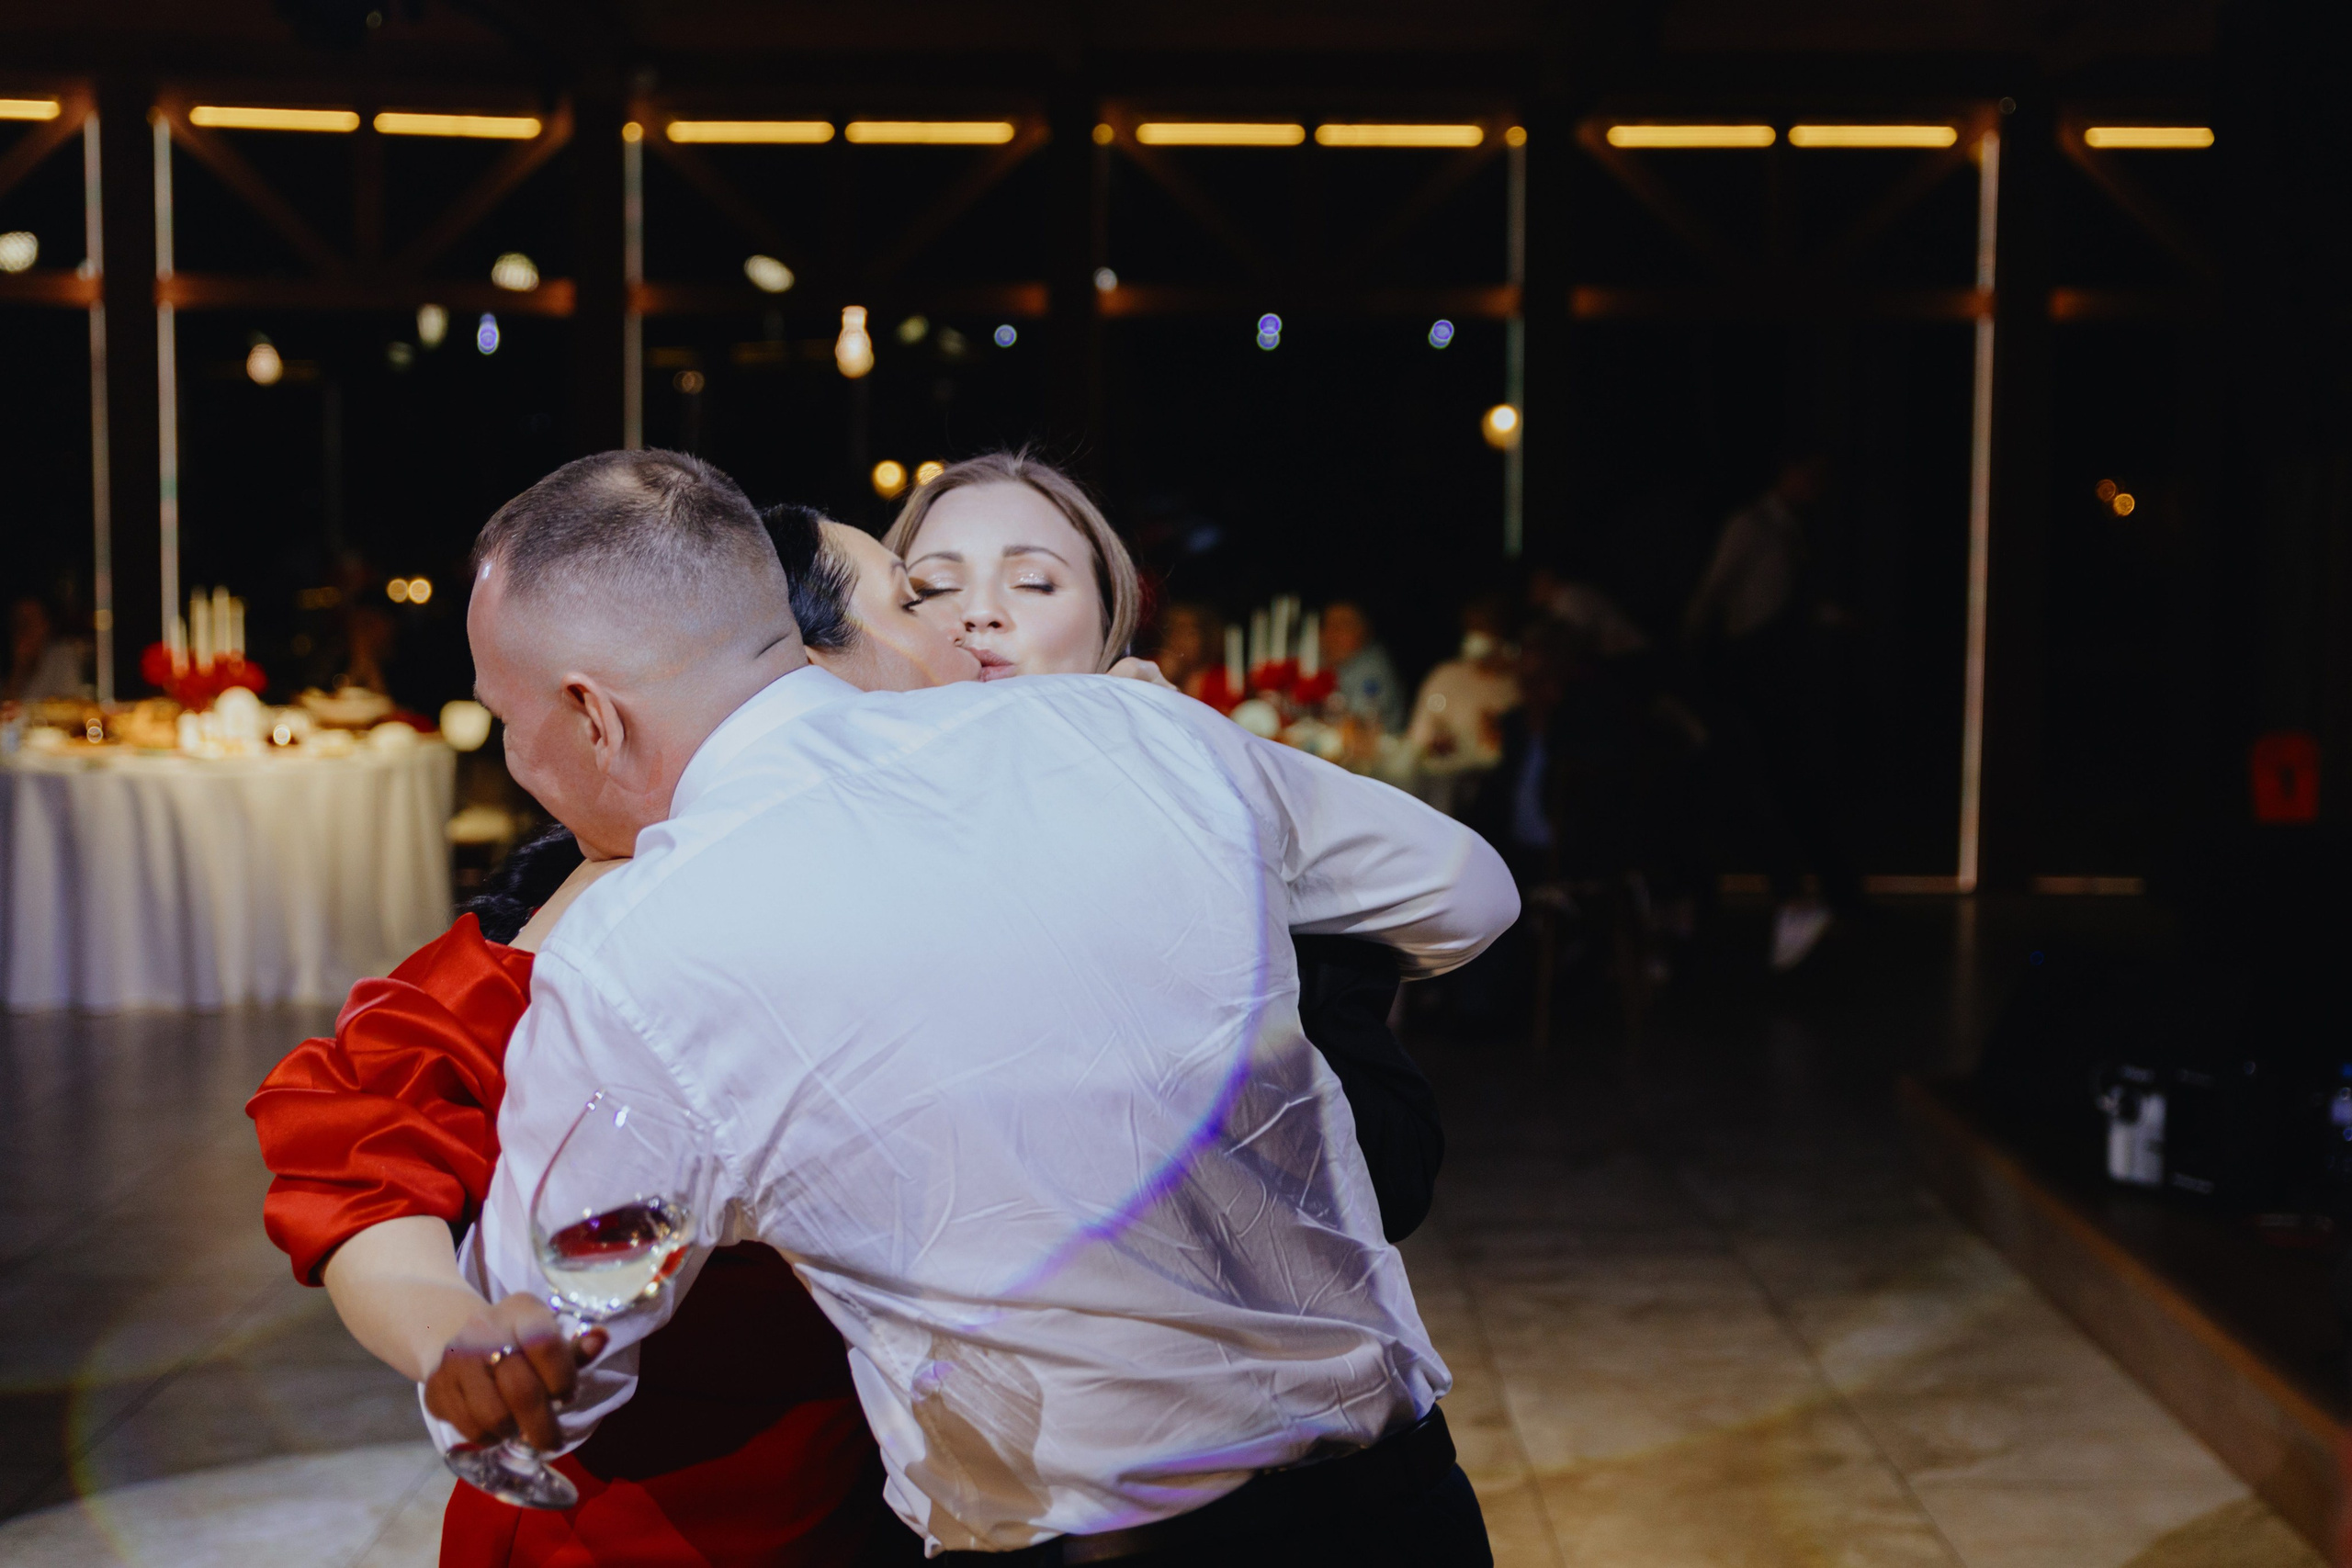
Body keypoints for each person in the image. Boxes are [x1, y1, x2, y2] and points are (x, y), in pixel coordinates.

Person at [436, 449, 1514, 1562]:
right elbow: (1469, 897)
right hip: (1398, 1504)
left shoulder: (635, 953)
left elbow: (554, 1350)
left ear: (591, 717)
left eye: (504, 723)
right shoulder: (1133, 729)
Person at [248, 505, 967, 1568]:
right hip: (673, 1524)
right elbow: (366, 1147)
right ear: (795, 665)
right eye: (916, 598)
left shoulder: (961, 859)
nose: (974, 625)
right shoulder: (604, 925)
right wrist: (457, 1330)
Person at [888, 452, 1447, 1242]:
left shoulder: (1226, 836)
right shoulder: (842, 854)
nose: (979, 613)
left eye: (1035, 581)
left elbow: (1393, 1175)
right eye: (935, 585)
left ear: (1111, 622)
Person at [1683, 455, 1855, 971]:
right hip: (1750, 663)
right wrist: (1690, 649)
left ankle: (1795, 895)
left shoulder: (1792, 529)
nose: (1815, 487)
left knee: (1776, 778)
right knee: (1750, 776)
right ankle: (1772, 896)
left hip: (1778, 664)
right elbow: (1718, 589)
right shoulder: (1753, 525)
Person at [1404, 593, 1521, 817]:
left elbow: (1503, 753)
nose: (1476, 634)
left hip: (1484, 794)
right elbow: (1418, 737)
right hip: (1433, 781)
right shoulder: (1445, 675)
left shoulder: (1515, 687)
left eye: (1484, 627)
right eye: (1471, 627)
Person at [1317, 601, 1406, 734]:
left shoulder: (1373, 667)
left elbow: (1358, 726)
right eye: (1327, 625)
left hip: (1378, 751)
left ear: (1365, 631)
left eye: (1344, 625)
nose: (1332, 633)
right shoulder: (1318, 659)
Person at [6, 595, 87, 703]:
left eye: (30, 621)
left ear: (45, 624)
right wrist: (19, 670)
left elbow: (67, 703)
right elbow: (7, 707)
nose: (24, 628)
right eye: (19, 622)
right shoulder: (8, 660)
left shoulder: (63, 654)